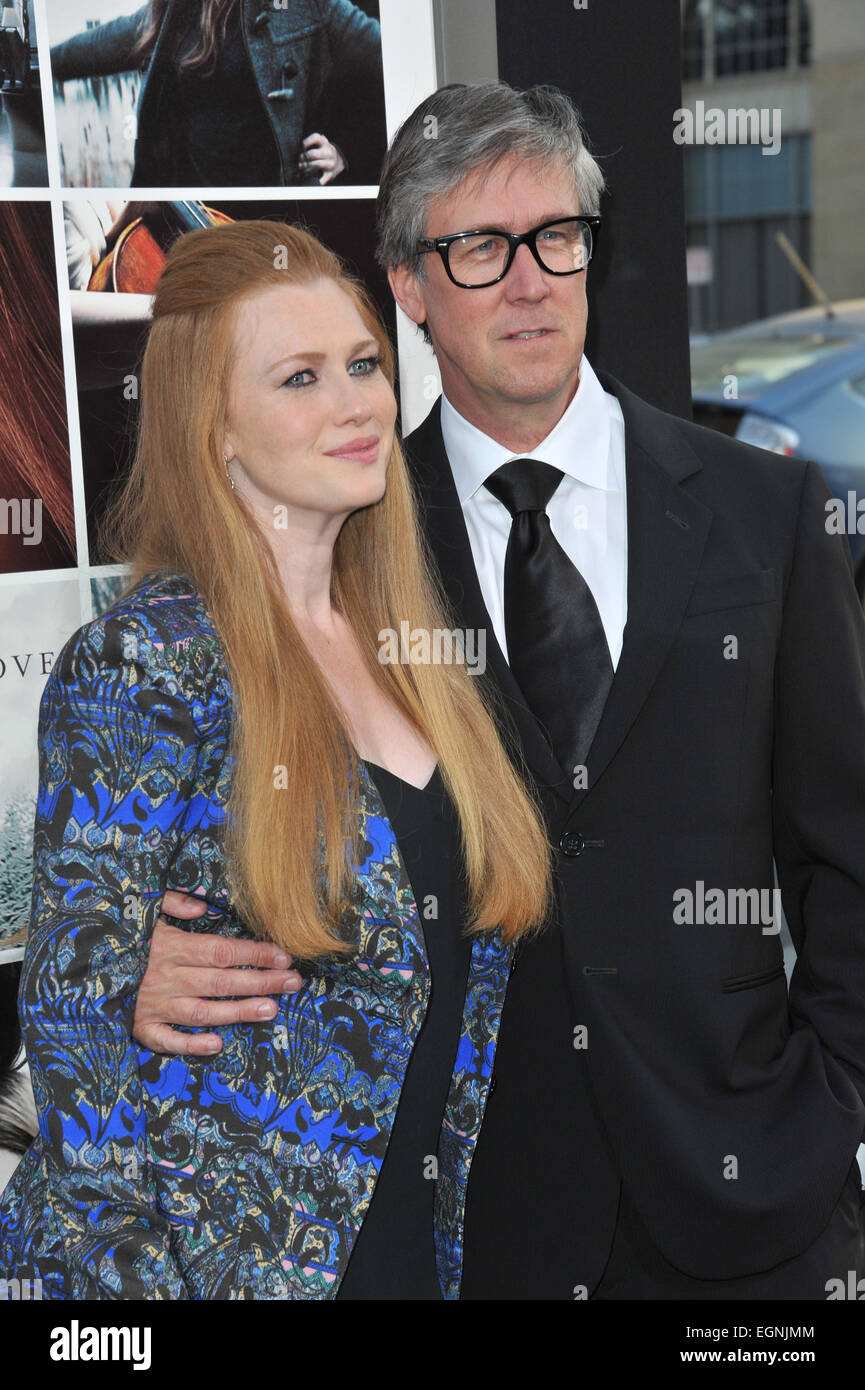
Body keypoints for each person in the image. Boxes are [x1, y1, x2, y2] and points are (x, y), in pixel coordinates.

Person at [135, 82, 865, 1300]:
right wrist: (141, 968)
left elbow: (845, 850)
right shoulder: (346, 542)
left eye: (555, 236)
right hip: (475, 1220)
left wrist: (829, 1104)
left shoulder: (760, 512)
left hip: (752, 1206)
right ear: (410, 290)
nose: (529, 280)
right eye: (478, 247)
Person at [0, 217, 553, 1299]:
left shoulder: (412, 647)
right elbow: (76, 1040)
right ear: (216, 432)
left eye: (361, 365)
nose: (355, 403)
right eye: (300, 377)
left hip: (405, 1256)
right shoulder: (145, 659)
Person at [49, 0, 385, 187]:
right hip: (188, 203)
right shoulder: (174, 9)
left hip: (268, 211)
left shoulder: (306, 6)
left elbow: (393, 59)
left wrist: (345, 150)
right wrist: (38, 64)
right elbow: (106, 42)